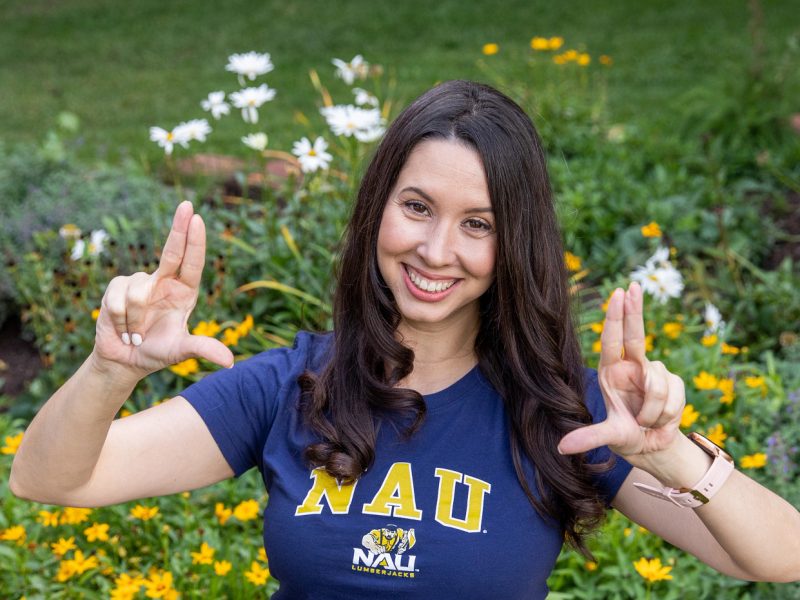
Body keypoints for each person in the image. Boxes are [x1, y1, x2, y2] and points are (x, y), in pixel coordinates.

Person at [9, 80, 800, 598]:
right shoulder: (289, 387)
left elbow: (775, 555)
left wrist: (667, 455)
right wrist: (110, 368)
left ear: (513, 245)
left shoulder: (569, 415)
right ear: (378, 210)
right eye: (417, 207)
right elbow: (52, 479)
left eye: (478, 225)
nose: (435, 251)